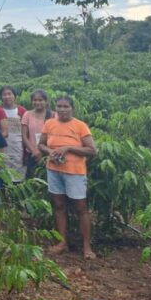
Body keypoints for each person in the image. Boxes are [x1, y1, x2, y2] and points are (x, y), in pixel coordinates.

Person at [38, 96, 97, 259]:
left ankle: (86, 246)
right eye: (59, 106)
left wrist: (68, 148)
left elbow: (92, 150)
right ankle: (62, 242)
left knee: (81, 207)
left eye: (65, 106)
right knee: (59, 205)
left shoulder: (80, 126)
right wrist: (51, 152)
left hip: (75, 171)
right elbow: (41, 144)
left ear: (72, 108)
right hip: (54, 169)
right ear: (55, 108)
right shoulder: (49, 123)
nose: (62, 110)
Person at [0, 86, 27, 181]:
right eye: (4, 94)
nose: (7, 96)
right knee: (3, 173)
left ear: (14, 96)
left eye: (9, 94)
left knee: (18, 175)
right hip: (2, 147)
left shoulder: (22, 110)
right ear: (1, 97)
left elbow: (26, 131)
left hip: (18, 147)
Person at [21, 90, 52, 178]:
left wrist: (43, 151)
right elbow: (24, 135)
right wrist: (34, 151)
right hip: (32, 154)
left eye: (40, 100)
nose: (37, 102)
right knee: (32, 179)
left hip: (48, 153)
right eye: (35, 100)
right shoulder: (27, 115)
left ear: (46, 101)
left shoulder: (53, 115)